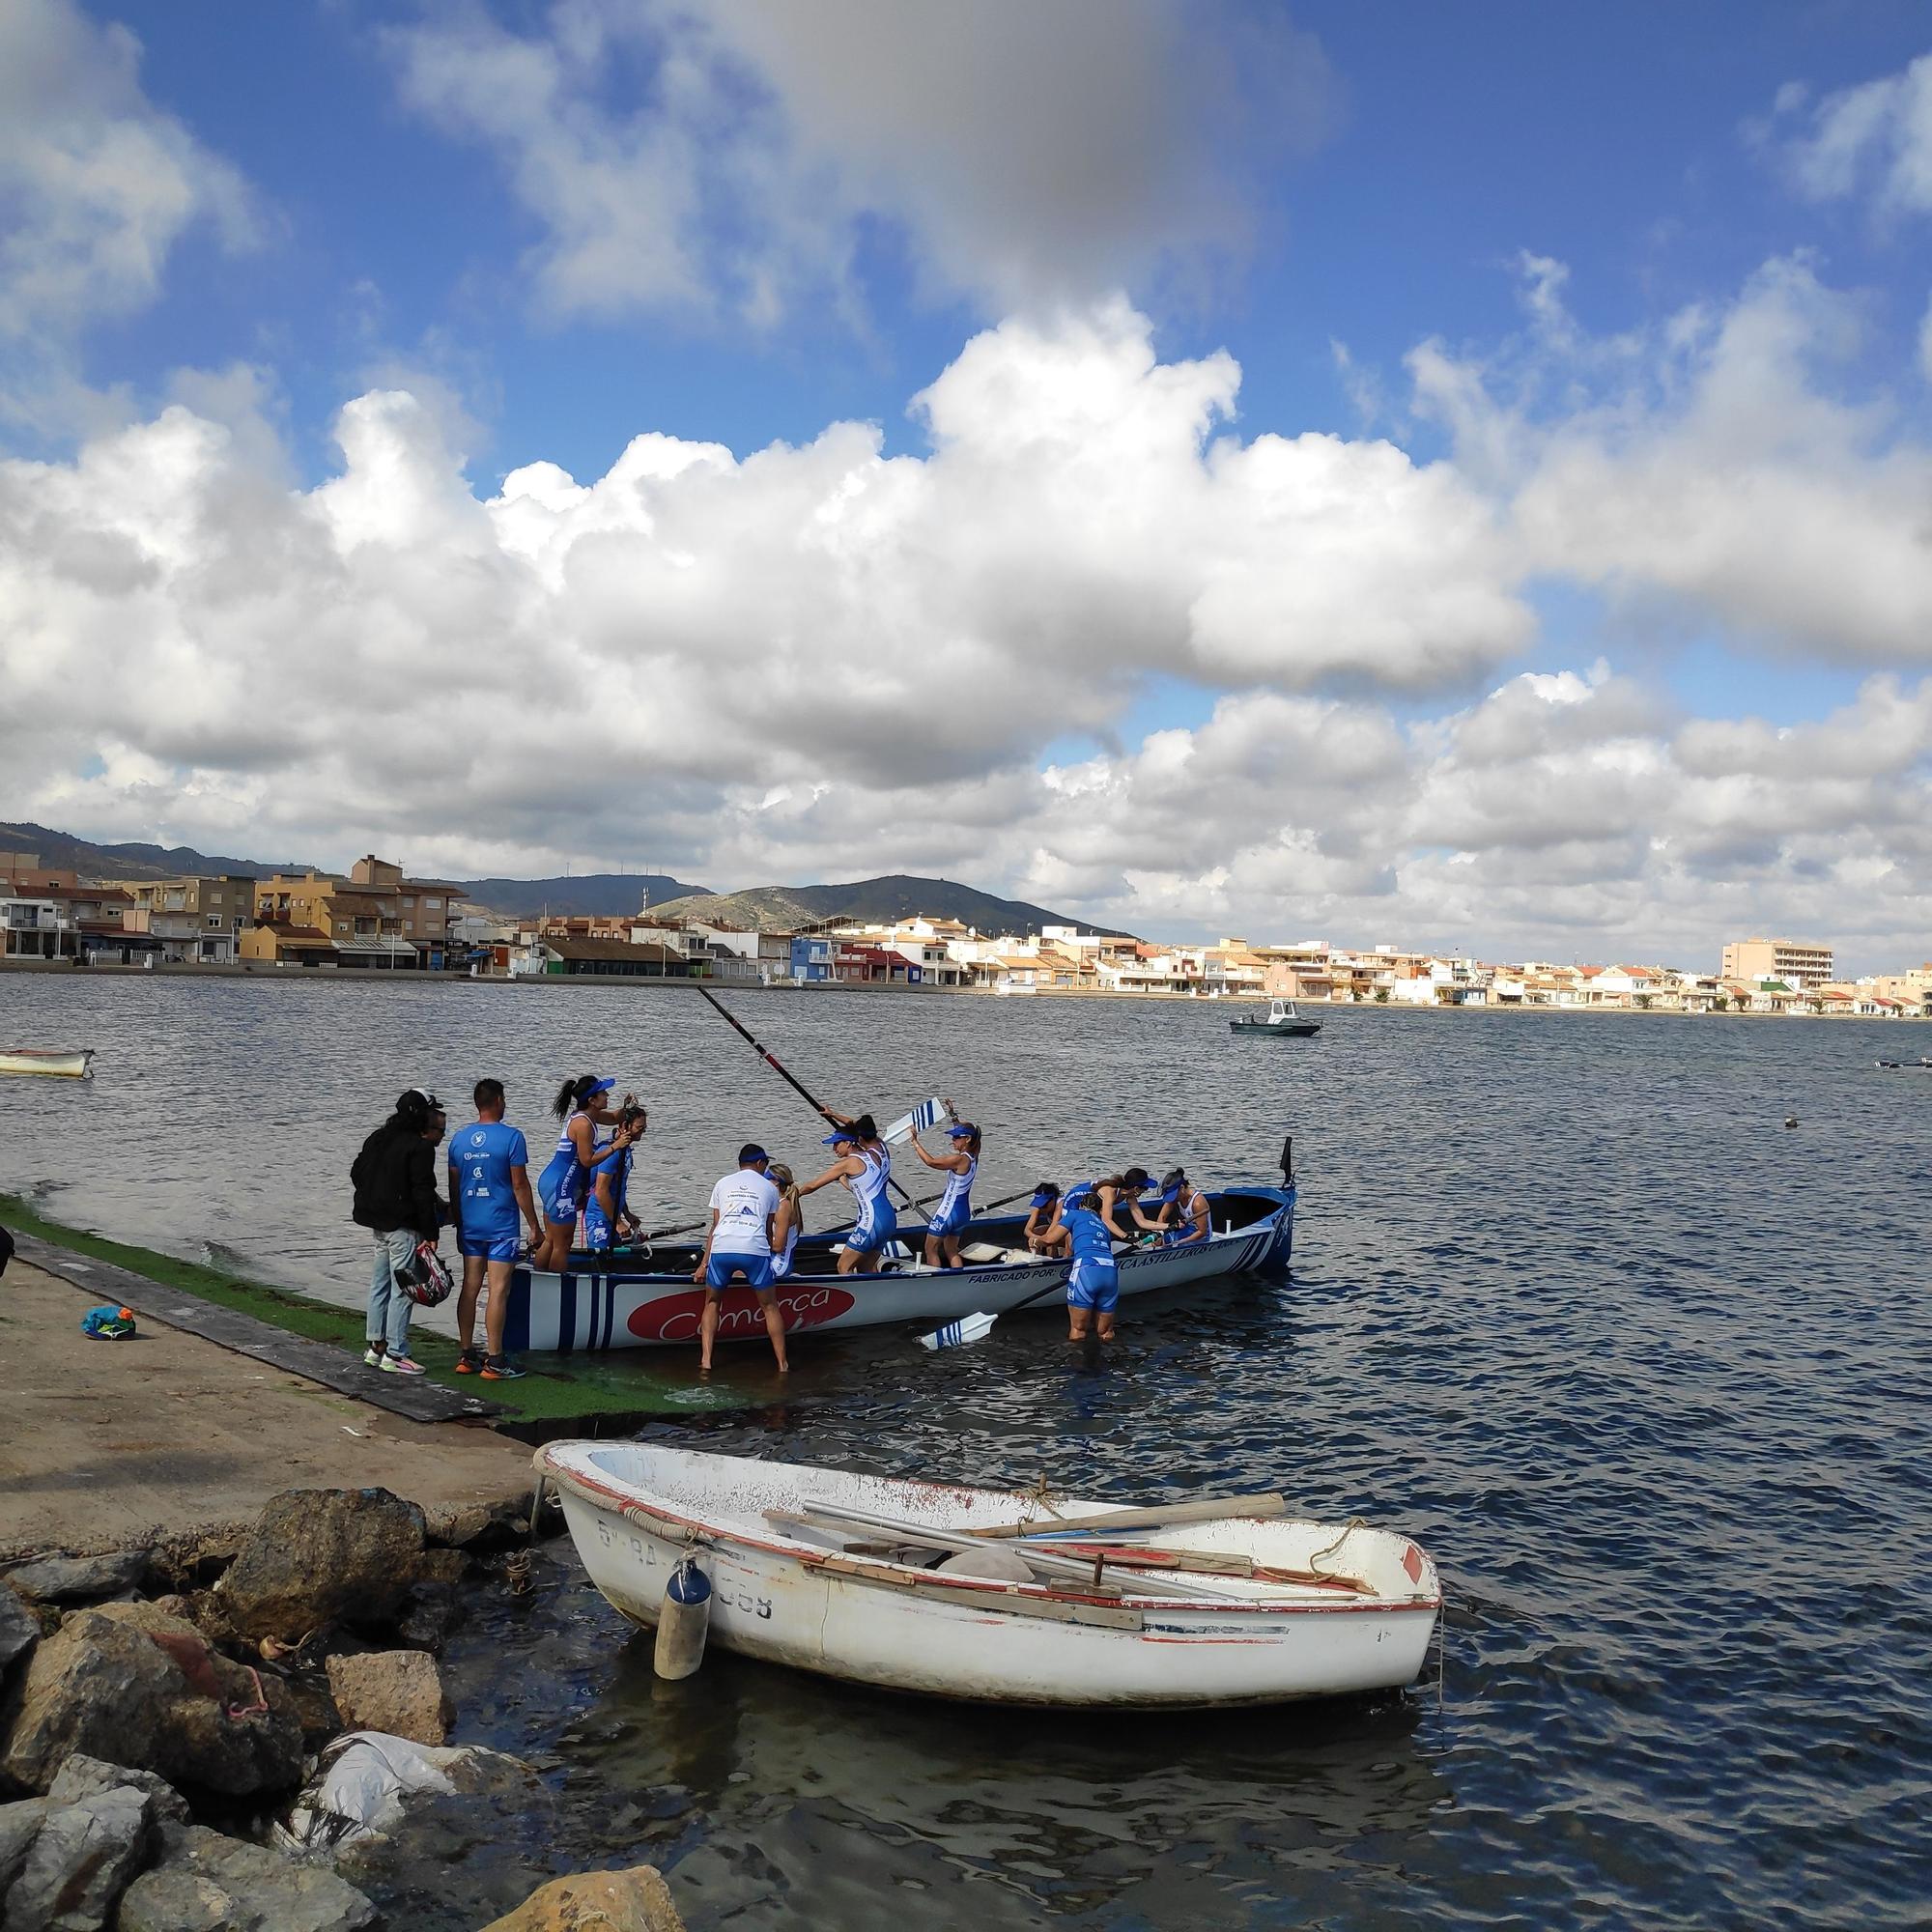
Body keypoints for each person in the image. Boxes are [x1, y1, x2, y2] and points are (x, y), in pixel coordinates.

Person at [447, 1078, 542, 1379]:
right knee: (498, 1290)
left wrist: (460, 1222)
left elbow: (453, 1187)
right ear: (499, 1100)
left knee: (470, 1287)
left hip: (471, 1225)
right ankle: (495, 1359)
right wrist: (534, 1226)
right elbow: (519, 1184)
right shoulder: (512, 1138)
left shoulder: (459, 1140)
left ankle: (465, 1355)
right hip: (501, 1226)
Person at [350, 1088, 446, 1376]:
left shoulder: (379, 1138)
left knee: (379, 1285)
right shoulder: (420, 1147)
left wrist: (381, 1197)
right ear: (421, 1114)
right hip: (403, 1228)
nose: (434, 1116)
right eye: (431, 1111)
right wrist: (431, 1232)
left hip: (378, 1225)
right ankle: (396, 1353)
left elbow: (356, 1172)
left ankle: (375, 1347)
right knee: (405, 1289)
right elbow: (422, 1191)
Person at [692, 1144, 788, 1373]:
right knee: (770, 1306)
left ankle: (706, 1360)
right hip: (754, 1250)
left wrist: (703, 1265)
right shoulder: (770, 1188)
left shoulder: (722, 1183)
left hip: (723, 1248)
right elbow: (767, 1229)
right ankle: (782, 1364)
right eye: (764, 1163)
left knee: (712, 1302)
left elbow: (715, 1227)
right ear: (759, 1164)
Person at [530, 1075, 640, 1271]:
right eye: (603, 1093)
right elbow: (587, 1160)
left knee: (551, 1240)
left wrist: (628, 1108)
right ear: (591, 1100)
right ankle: (555, 1288)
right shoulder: (583, 1124)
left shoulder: (589, 1115)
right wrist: (615, 1147)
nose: (607, 1095)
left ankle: (538, 1278)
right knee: (562, 1245)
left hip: (551, 1181)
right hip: (561, 1186)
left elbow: (616, 1117)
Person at [796, 1112, 895, 1274]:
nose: (834, 1148)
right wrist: (833, 1114)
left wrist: (791, 1194)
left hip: (872, 1221)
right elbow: (857, 1126)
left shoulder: (848, 1163)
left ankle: (856, 1299)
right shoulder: (879, 1147)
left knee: (844, 1266)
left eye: (837, 1144)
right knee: (866, 1268)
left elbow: (812, 1186)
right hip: (889, 1220)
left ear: (849, 1143)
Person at [1050, 1179, 1120, 1342]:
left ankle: (1078, 1367)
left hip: (1086, 1270)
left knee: (1078, 1330)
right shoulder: (1104, 1226)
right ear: (1100, 1210)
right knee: (1106, 1333)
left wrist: (1035, 1241)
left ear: (1081, 1205)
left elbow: (1050, 1239)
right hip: (1109, 1271)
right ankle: (1109, 1364)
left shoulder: (1074, 1214)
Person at [908, 1110, 979, 1268]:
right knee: (952, 1251)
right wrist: (954, 1116)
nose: (952, 1141)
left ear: (967, 1139)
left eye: (955, 1138)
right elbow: (967, 1132)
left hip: (947, 1212)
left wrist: (915, 1142)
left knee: (930, 1249)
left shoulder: (958, 1159)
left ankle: (936, 1284)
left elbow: (931, 1162)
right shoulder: (974, 1154)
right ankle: (959, 1281)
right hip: (962, 1213)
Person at [584, 1100, 647, 1253]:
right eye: (640, 1128)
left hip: (612, 1218)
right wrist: (618, 1223)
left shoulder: (625, 1151)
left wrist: (627, 1214)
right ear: (624, 1126)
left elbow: (618, 1187)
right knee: (600, 1264)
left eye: (645, 1128)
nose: (643, 1132)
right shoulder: (612, 1152)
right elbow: (601, 1190)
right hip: (599, 1218)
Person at [1154, 1167, 1212, 1246]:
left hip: (1202, 1235)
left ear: (1182, 1188)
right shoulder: (1176, 1197)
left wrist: (1180, 1243)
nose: (1173, 1199)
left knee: (1173, 1240)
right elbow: (1162, 1217)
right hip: (1187, 1229)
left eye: (1174, 1196)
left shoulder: (1197, 1203)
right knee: (1165, 1238)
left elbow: (1202, 1232)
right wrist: (1158, 1236)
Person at [767, 1162, 804, 1281]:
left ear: (775, 1183)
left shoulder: (783, 1207)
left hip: (778, 1264)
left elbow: (778, 1247)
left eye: (765, 1179)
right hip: (769, 1258)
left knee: (737, 1271)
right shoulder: (776, 1203)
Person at [1022, 1182, 1067, 1258]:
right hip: (1056, 1230)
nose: (1041, 1208)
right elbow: (1027, 1230)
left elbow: (1052, 1231)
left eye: (1044, 1205)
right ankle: (1037, 1260)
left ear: (1053, 1199)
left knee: (1051, 1240)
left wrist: (1038, 1240)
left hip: (1070, 1234)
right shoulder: (1038, 1207)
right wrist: (1034, 1237)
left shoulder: (1061, 1204)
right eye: (1040, 1204)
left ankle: (1052, 1262)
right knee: (1034, 1234)